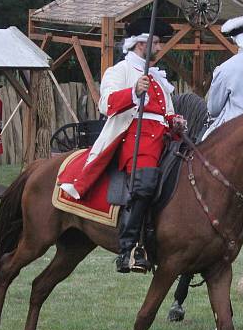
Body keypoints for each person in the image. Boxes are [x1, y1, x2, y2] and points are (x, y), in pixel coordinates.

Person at [58, 16, 186, 273]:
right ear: (141, 44)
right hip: (136, 138)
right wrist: (133, 92)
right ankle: (129, 248)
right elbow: (105, 104)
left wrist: (176, 121)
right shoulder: (120, 71)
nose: (160, 48)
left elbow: (166, 113)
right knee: (145, 183)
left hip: (164, 139)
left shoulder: (159, 78)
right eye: (157, 43)